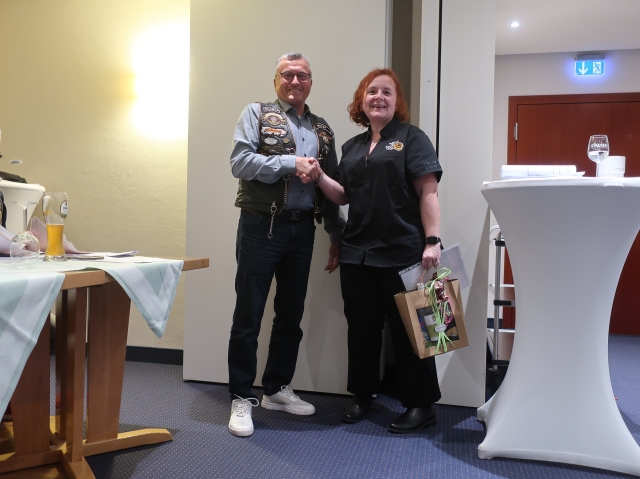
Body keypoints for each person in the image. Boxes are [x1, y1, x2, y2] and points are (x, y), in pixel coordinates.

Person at [304, 68, 443, 433]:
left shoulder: (412, 138)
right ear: (361, 101)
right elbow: (343, 196)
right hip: (357, 254)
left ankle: (422, 404)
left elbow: (428, 191)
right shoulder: (351, 147)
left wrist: (432, 240)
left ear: (397, 102)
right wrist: (320, 176)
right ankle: (363, 394)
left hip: (402, 252)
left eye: (387, 92)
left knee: (413, 330)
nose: (379, 97)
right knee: (362, 329)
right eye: (372, 91)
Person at [227, 52, 343, 437]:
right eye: (288, 75)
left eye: (303, 75)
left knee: (290, 315)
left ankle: (277, 388)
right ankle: (241, 396)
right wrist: (290, 163)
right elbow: (240, 163)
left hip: (302, 229)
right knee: (249, 315)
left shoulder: (323, 129)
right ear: (276, 80)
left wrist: (335, 234)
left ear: (311, 82)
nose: (295, 81)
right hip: (261, 226)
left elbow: (330, 186)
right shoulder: (256, 113)